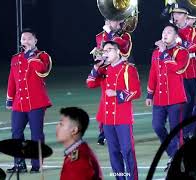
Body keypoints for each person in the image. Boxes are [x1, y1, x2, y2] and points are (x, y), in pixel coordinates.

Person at [87, 41, 140, 180]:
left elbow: (136, 92)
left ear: (118, 52)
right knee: (114, 152)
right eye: (104, 50)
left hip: (123, 118)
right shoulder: (103, 69)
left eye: (109, 50)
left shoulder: (128, 69)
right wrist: (96, 66)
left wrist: (117, 93)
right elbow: (90, 83)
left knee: (127, 151)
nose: (106, 53)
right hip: (107, 119)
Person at [6, 28, 52, 173]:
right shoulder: (15, 58)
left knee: (36, 134)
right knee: (16, 133)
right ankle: (19, 164)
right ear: (20, 41)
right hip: (19, 103)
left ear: (35, 41)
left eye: (29, 38)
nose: (26, 41)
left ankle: (37, 164)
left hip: (36, 102)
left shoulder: (43, 56)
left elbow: (42, 72)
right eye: (23, 39)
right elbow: (12, 80)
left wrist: (31, 56)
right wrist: (9, 99)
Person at [146, 23, 189, 170]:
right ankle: (174, 154)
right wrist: (149, 94)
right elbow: (153, 74)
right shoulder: (156, 53)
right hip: (159, 98)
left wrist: (165, 52)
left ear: (176, 36)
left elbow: (178, 69)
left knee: (176, 131)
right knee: (157, 126)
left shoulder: (182, 52)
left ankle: (180, 160)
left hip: (176, 98)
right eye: (164, 32)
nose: (165, 34)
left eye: (169, 32)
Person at [93, 19, 132, 145]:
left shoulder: (125, 36)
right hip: (106, 71)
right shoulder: (100, 36)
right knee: (105, 101)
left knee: (120, 101)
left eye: (114, 20)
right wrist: (98, 57)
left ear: (120, 21)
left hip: (120, 70)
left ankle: (120, 130)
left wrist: (110, 34)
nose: (111, 23)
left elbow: (124, 49)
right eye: (109, 20)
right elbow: (100, 52)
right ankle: (103, 132)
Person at [169, 3, 196, 139]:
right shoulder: (170, 30)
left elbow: (194, 46)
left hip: (190, 70)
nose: (175, 16)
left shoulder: (195, 31)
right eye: (174, 14)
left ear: (185, 16)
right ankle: (180, 132)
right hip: (175, 71)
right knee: (178, 104)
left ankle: (188, 130)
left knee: (191, 103)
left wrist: (179, 40)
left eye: (178, 14)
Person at [57, 107, 103, 180]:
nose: (57, 127)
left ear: (74, 130)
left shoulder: (78, 161)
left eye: (61, 124)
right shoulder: (77, 152)